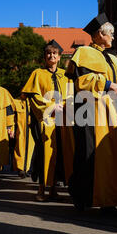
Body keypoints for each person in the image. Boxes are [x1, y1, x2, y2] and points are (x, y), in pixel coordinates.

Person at [66, 13, 117, 217]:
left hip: (113, 114)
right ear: (99, 34)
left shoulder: (113, 58)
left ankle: (109, 200)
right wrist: (108, 84)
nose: (113, 37)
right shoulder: (84, 52)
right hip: (90, 112)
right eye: (110, 33)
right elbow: (82, 81)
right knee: (88, 154)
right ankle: (82, 197)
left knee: (113, 156)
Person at [22, 40, 75, 202]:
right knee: (45, 153)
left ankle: (53, 189)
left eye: (54, 53)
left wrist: (66, 107)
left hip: (64, 120)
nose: (51, 56)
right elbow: (33, 95)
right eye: (48, 53)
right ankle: (41, 189)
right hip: (46, 120)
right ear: (45, 57)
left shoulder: (65, 75)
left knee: (60, 154)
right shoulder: (37, 73)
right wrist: (51, 106)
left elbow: (71, 95)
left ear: (59, 57)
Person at [12, 96, 35, 179]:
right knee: (19, 147)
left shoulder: (35, 101)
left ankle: (27, 169)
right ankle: (20, 168)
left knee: (31, 149)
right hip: (20, 129)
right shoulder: (16, 102)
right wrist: (11, 129)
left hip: (33, 128)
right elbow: (12, 117)